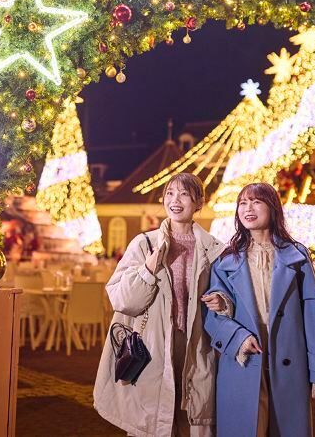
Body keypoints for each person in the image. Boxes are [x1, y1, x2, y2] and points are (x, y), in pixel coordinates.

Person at [94, 172, 224, 436]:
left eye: (184, 194)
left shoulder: (214, 249)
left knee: (192, 415)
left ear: (199, 202)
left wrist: (223, 300)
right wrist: (148, 269)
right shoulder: (144, 244)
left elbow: (228, 294)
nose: (175, 200)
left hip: (196, 344)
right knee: (153, 419)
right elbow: (122, 299)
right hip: (153, 343)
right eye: (170, 193)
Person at [203, 183, 315, 436]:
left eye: (256, 202)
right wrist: (239, 338)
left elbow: (314, 315)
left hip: (290, 361)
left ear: (273, 208)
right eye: (243, 203)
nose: (248, 208)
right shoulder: (225, 260)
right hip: (243, 361)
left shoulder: (297, 256)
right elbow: (212, 317)